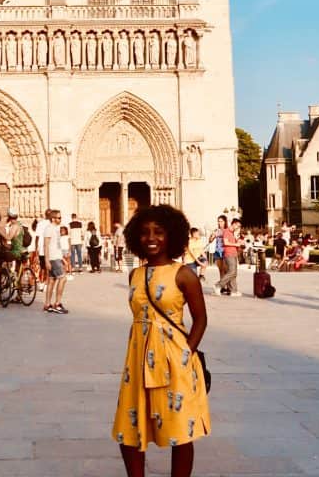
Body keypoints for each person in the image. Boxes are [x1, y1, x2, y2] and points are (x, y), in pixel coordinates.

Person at [112, 203, 210, 477]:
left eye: (159, 232)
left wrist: (187, 353)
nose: (151, 238)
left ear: (173, 236)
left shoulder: (184, 274)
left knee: (180, 428)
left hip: (174, 358)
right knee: (129, 426)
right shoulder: (135, 274)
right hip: (138, 359)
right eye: (144, 233)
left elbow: (201, 318)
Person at [43, 209, 68, 314]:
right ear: (53, 219)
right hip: (53, 258)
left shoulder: (56, 229)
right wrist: (47, 260)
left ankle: (47, 304)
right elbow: (46, 245)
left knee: (52, 281)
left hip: (56, 257)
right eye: (59, 218)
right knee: (63, 278)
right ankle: (57, 304)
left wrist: (62, 258)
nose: (60, 219)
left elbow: (57, 245)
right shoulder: (49, 229)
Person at [218, 215, 241, 296]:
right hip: (229, 253)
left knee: (234, 273)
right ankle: (218, 285)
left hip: (234, 253)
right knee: (231, 271)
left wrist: (237, 238)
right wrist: (236, 244)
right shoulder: (227, 231)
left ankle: (233, 290)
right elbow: (226, 242)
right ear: (234, 224)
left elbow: (237, 242)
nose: (238, 228)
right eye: (237, 226)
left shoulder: (233, 233)